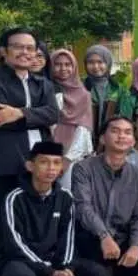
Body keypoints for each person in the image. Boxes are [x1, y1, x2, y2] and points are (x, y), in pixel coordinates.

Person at [0, 27, 62, 276]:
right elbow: (0, 119)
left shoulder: (42, 83)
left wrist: (21, 112)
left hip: (38, 168)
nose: (26, 52)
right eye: (18, 47)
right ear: (3, 51)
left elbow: (53, 114)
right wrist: (32, 115)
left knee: (34, 227)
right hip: (3, 166)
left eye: (30, 47)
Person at [0, 141, 107, 276]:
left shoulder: (65, 197)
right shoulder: (14, 198)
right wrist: (50, 272)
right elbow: (14, 244)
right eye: (44, 162)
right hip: (22, 261)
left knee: (97, 272)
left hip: (52, 262)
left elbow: (68, 238)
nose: (51, 168)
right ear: (30, 166)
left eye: (56, 163)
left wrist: (65, 268)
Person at [72, 116, 138, 276]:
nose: (121, 136)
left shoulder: (137, 176)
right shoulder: (83, 168)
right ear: (103, 138)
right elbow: (83, 207)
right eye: (115, 131)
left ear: (133, 141)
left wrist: (136, 245)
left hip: (121, 240)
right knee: (88, 259)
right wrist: (103, 236)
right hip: (92, 239)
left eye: (127, 132)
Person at [47, 49, 94, 190]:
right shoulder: (45, 89)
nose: (63, 68)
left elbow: (84, 128)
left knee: (68, 197)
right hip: (46, 152)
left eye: (68, 64)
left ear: (74, 67)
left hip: (72, 157)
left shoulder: (83, 94)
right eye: (58, 64)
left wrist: (67, 159)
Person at [83, 44, 123, 136]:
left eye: (100, 62)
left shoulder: (117, 88)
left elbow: (124, 115)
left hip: (112, 139)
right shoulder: (81, 87)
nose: (96, 66)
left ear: (108, 63)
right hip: (85, 140)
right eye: (91, 62)